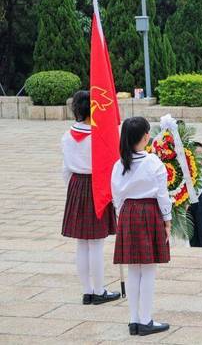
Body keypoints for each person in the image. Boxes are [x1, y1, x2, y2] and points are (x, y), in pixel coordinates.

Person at [111, 117, 172, 337]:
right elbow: (162, 195)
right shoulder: (153, 162)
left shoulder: (119, 164)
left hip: (127, 213)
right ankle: (145, 320)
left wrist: (122, 216)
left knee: (133, 269)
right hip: (148, 212)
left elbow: (116, 196)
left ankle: (134, 320)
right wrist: (167, 220)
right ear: (145, 136)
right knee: (147, 269)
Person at [61, 90, 120, 305]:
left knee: (82, 243)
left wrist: (74, 189)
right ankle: (99, 290)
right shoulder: (99, 137)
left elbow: (65, 169)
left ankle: (87, 290)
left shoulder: (67, 136)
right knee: (95, 243)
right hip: (96, 185)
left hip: (76, 184)